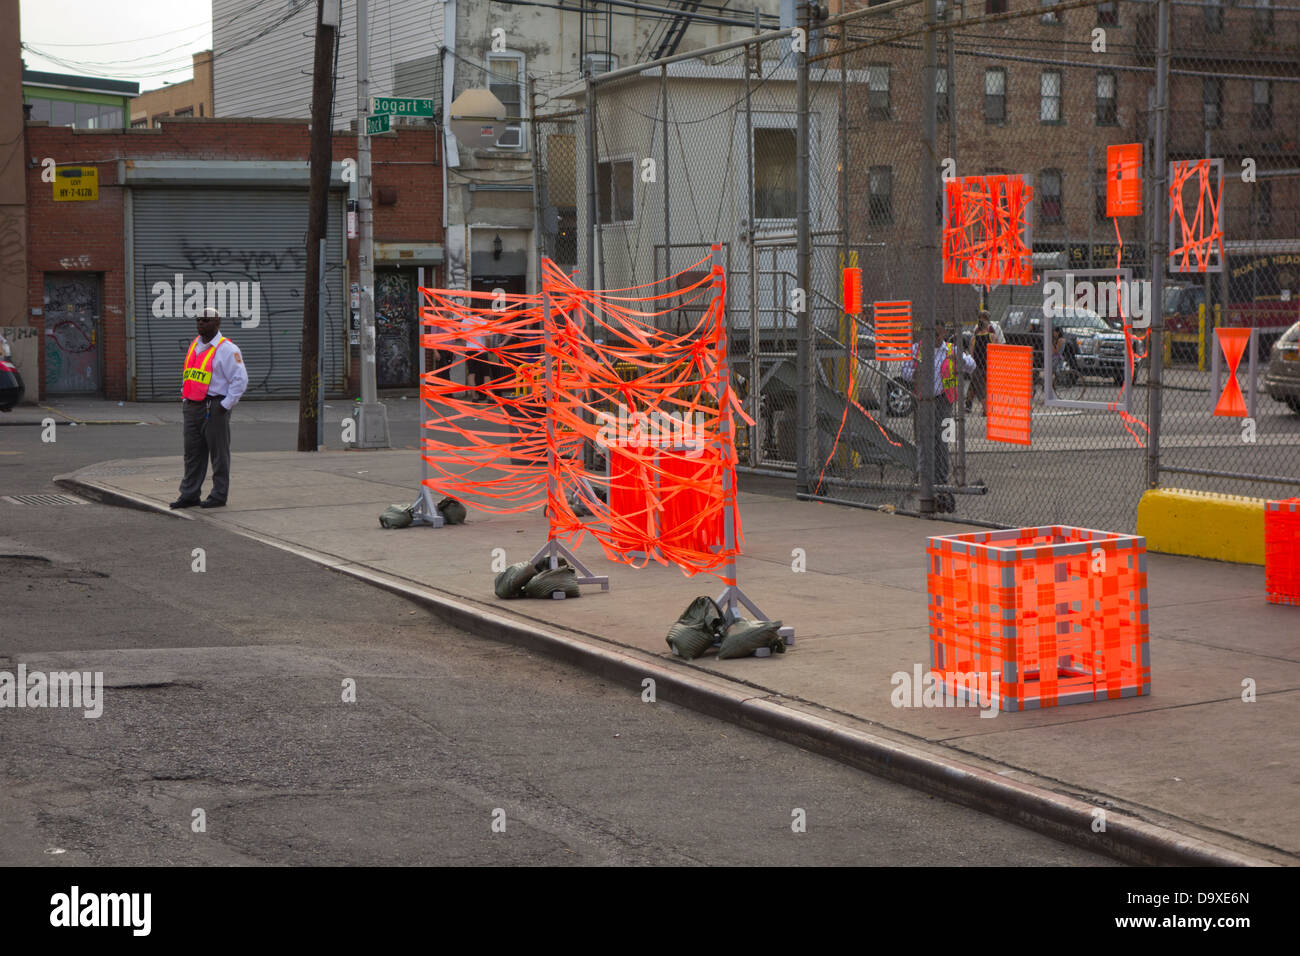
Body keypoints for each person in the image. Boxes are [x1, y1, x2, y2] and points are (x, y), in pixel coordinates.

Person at [171, 307, 248, 509]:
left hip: (214, 407)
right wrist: (184, 397)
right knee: (192, 454)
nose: (201, 323)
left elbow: (240, 380)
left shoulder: (228, 349)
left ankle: (218, 495)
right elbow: (190, 374)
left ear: (217, 323)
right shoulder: (194, 346)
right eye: (198, 320)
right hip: (192, 406)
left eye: (206, 320)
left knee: (219, 455)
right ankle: (189, 495)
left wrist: (225, 405)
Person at [901, 324, 975, 512]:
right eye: (931, 330)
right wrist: (915, 374)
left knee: (943, 440)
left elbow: (971, 365)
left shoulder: (951, 350)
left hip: (944, 401)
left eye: (938, 331)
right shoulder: (917, 349)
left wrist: (960, 360)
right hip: (923, 401)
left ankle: (941, 481)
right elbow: (905, 371)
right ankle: (924, 477)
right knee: (923, 440)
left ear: (943, 332)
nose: (934, 335)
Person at [967, 309, 1004, 416]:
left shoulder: (974, 338)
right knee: (989, 387)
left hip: (978, 366)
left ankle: (985, 409)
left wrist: (972, 368)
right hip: (989, 365)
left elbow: (972, 354)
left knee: (980, 388)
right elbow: (998, 349)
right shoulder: (992, 336)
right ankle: (988, 408)